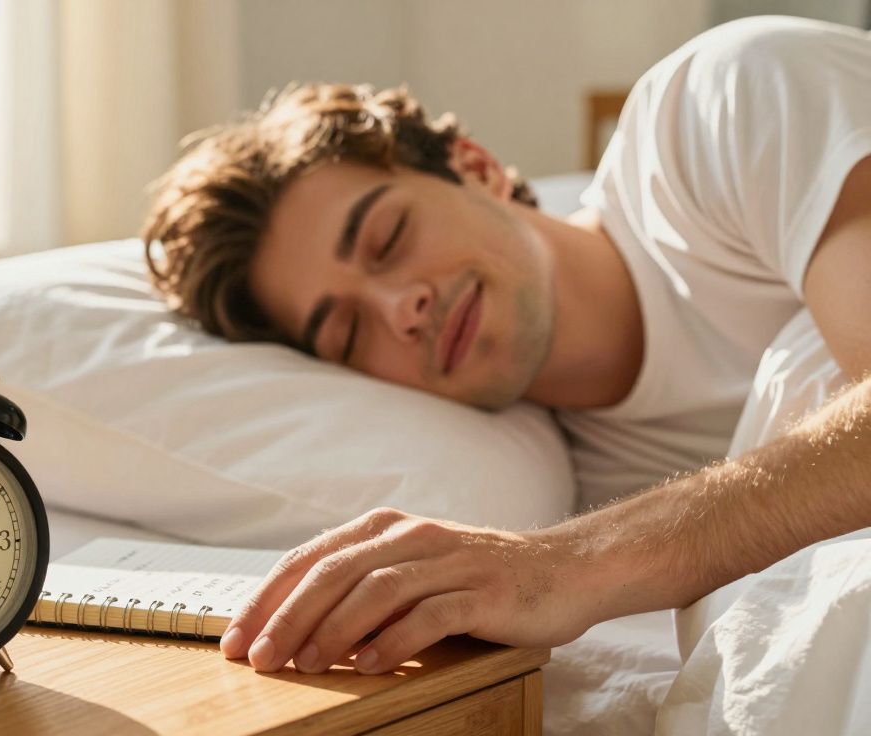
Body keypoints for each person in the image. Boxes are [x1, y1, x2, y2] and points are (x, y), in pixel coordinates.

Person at [140, 15, 871, 676]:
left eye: (389, 238)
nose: (402, 309)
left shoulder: (721, 106)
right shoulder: (566, 472)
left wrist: (573, 563)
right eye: (349, 332)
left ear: (476, 166)